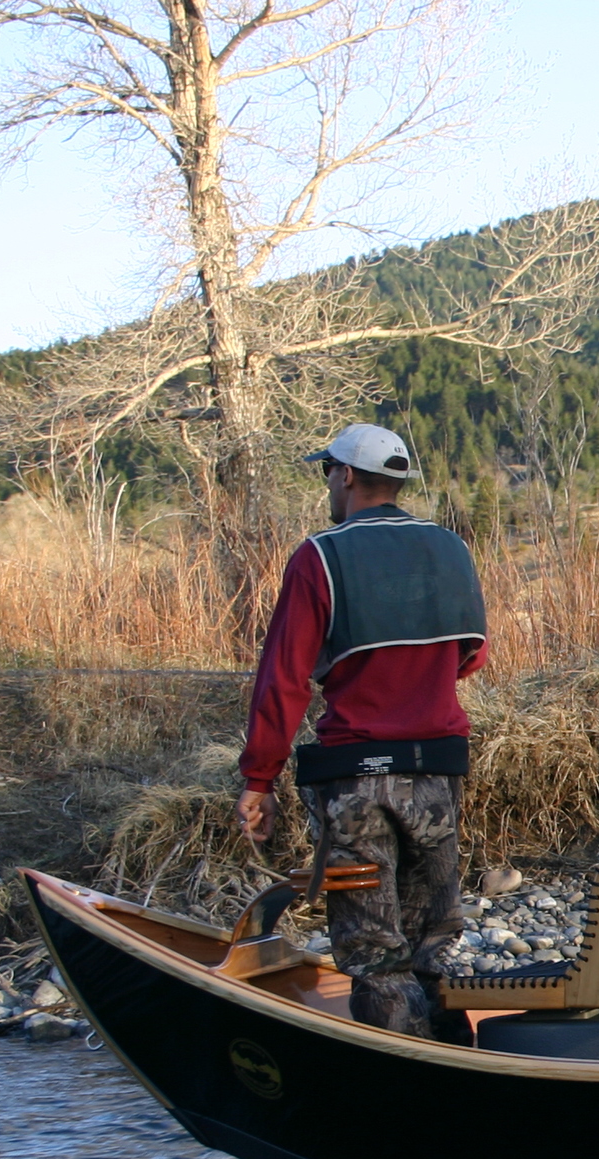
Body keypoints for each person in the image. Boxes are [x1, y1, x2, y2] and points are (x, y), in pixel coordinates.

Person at [234, 423, 488, 1041]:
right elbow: (470, 657)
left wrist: (258, 779)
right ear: (397, 480)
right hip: (437, 773)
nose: (328, 481)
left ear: (345, 474)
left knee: (376, 953)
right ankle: (465, 1077)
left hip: (355, 780)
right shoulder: (450, 549)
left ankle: (402, 1090)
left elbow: (284, 682)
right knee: (433, 943)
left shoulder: (319, 557)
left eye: (328, 470)